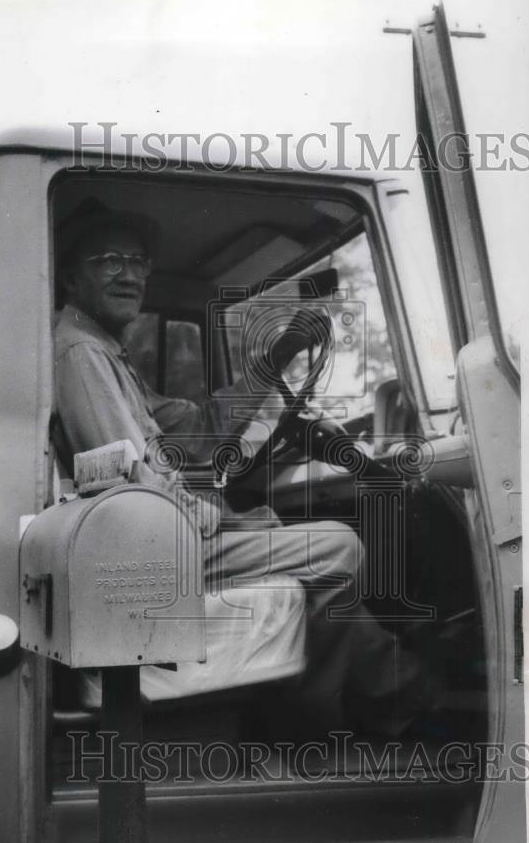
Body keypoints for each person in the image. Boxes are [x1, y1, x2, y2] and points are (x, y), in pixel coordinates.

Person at [53, 198, 438, 738]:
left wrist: (276, 358)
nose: (130, 273)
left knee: (288, 539)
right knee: (337, 549)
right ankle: (315, 722)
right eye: (108, 259)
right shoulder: (79, 354)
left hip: (165, 540)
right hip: (154, 555)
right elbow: (127, 477)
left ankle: (400, 690)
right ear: (71, 278)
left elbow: (202, 428)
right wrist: (202, 511)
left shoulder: (105, 353)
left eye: (138, 260)